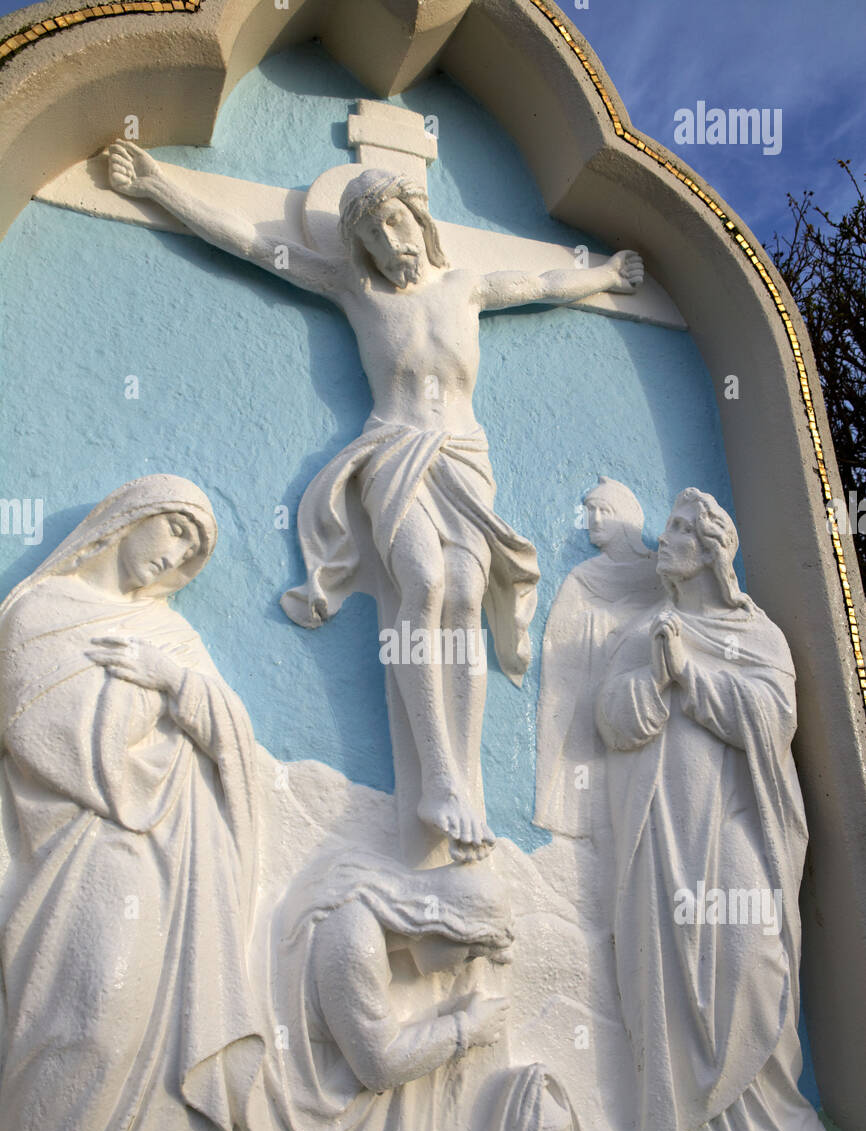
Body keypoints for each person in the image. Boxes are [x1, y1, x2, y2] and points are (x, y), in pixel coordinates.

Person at [107, 144, 644, 861]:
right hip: (395, 453)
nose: (391, 243)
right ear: (358, 247)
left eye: (396, 223)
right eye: (372, 235)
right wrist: (157, 184)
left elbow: (545, 280)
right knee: (422, 582)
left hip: (463, 459)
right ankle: (441, 778)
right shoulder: (354, 290)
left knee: (464, 596)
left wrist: (604, 274)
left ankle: (466, 775)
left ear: (419, 220)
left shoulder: (467, 289)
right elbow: (252, 242)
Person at [0, 475, 274, 1131]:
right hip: (62, 852)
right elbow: (27, 726)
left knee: (115, 1029)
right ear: (125, 518)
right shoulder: (36, 613)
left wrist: (170, 680)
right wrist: (112, 744)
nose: (175, 554)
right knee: (67, 1025)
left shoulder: (169, 636)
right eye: (171, 531)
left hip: (152, 861)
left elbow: (234, 741)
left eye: (193, 550)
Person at [242, 852, 619, 1131]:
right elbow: (379, 1066)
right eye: (467, 952)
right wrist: (464, 1029)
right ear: (442, 924)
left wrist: (442, 1021)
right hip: (293, 1103)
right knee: (403, 1096)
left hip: (307, 1063)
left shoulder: (360, 889)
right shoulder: (354, 941)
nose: (461, 967)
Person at [595, 488, 834, 1131]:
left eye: (676, 529)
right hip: (661, 823)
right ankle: (694, 1117)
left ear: (709, 551)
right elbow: (614, 719)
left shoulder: (756, 634)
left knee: (751, 950)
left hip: (736, 821)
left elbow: (774, 718)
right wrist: (649, 685)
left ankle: (766, 1104)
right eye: (666, 527)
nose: (662, 540)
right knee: (669, 965)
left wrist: (687, 676)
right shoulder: (639, 632)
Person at [535, 476, 660, 839]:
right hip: (590, 696)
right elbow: (558, 646)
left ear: (626, 516)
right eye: (590, 512)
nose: (595, 520)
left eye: (604, 511)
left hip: (640, 700)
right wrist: (600, 625)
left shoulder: (657, 572)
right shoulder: (582, 577)